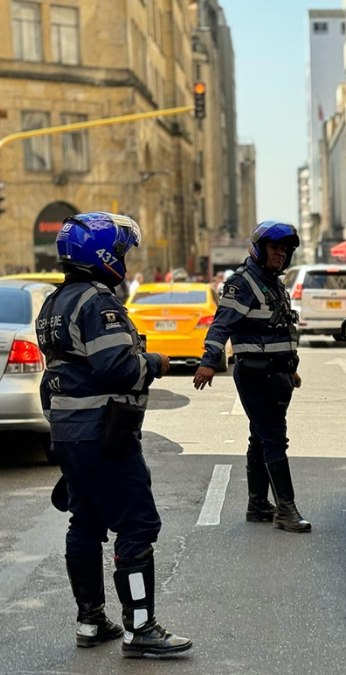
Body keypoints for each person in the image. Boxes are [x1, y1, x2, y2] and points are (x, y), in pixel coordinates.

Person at [35, 212, 192, 656]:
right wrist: (156, 363)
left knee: (84, 522)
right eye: (120, 251)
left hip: (68, 434)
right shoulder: (95, 302)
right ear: (101, 254)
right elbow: (116, 367)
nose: (123, 259)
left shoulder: (53, 303)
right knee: (137, 523)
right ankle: (141, 629)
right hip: (104, 433)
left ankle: (90, 621)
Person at [193, 221, 311, 533]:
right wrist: (208, 362)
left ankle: (258, 504)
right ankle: (286, 509)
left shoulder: (274, 283)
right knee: (274, 438)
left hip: (278, 373)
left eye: (284, 249)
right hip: (257, 375)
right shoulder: (243, 283)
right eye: (274, 247)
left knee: (260, 436)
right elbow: (221, 324)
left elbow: (282, 330)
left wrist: (292, 368)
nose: (280, 254)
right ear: (259, 249)